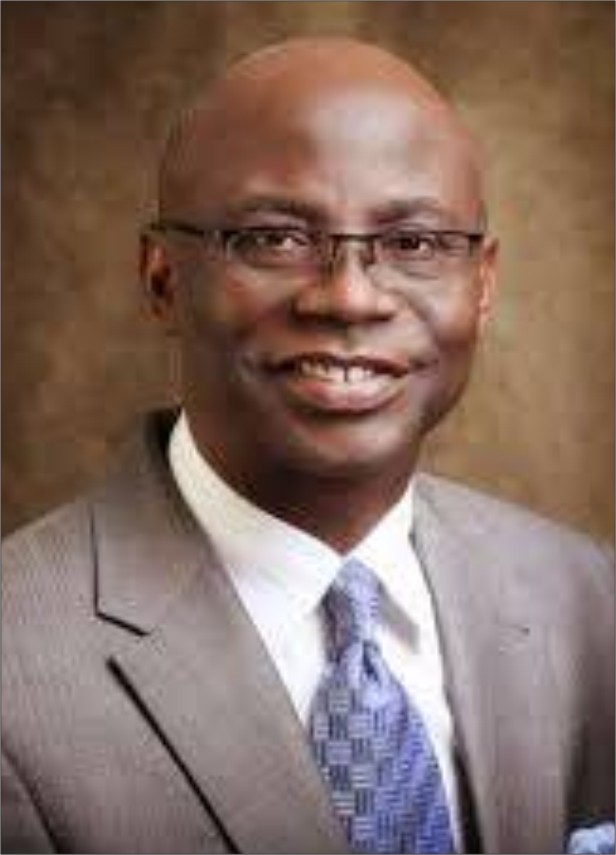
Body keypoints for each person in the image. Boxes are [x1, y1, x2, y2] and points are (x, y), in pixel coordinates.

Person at [2, 37, 613, 855]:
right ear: (162, 278)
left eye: (414, 243)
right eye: (275, 238)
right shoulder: (17, 669)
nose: (350, 298)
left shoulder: (591, 602)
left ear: (483, 284)